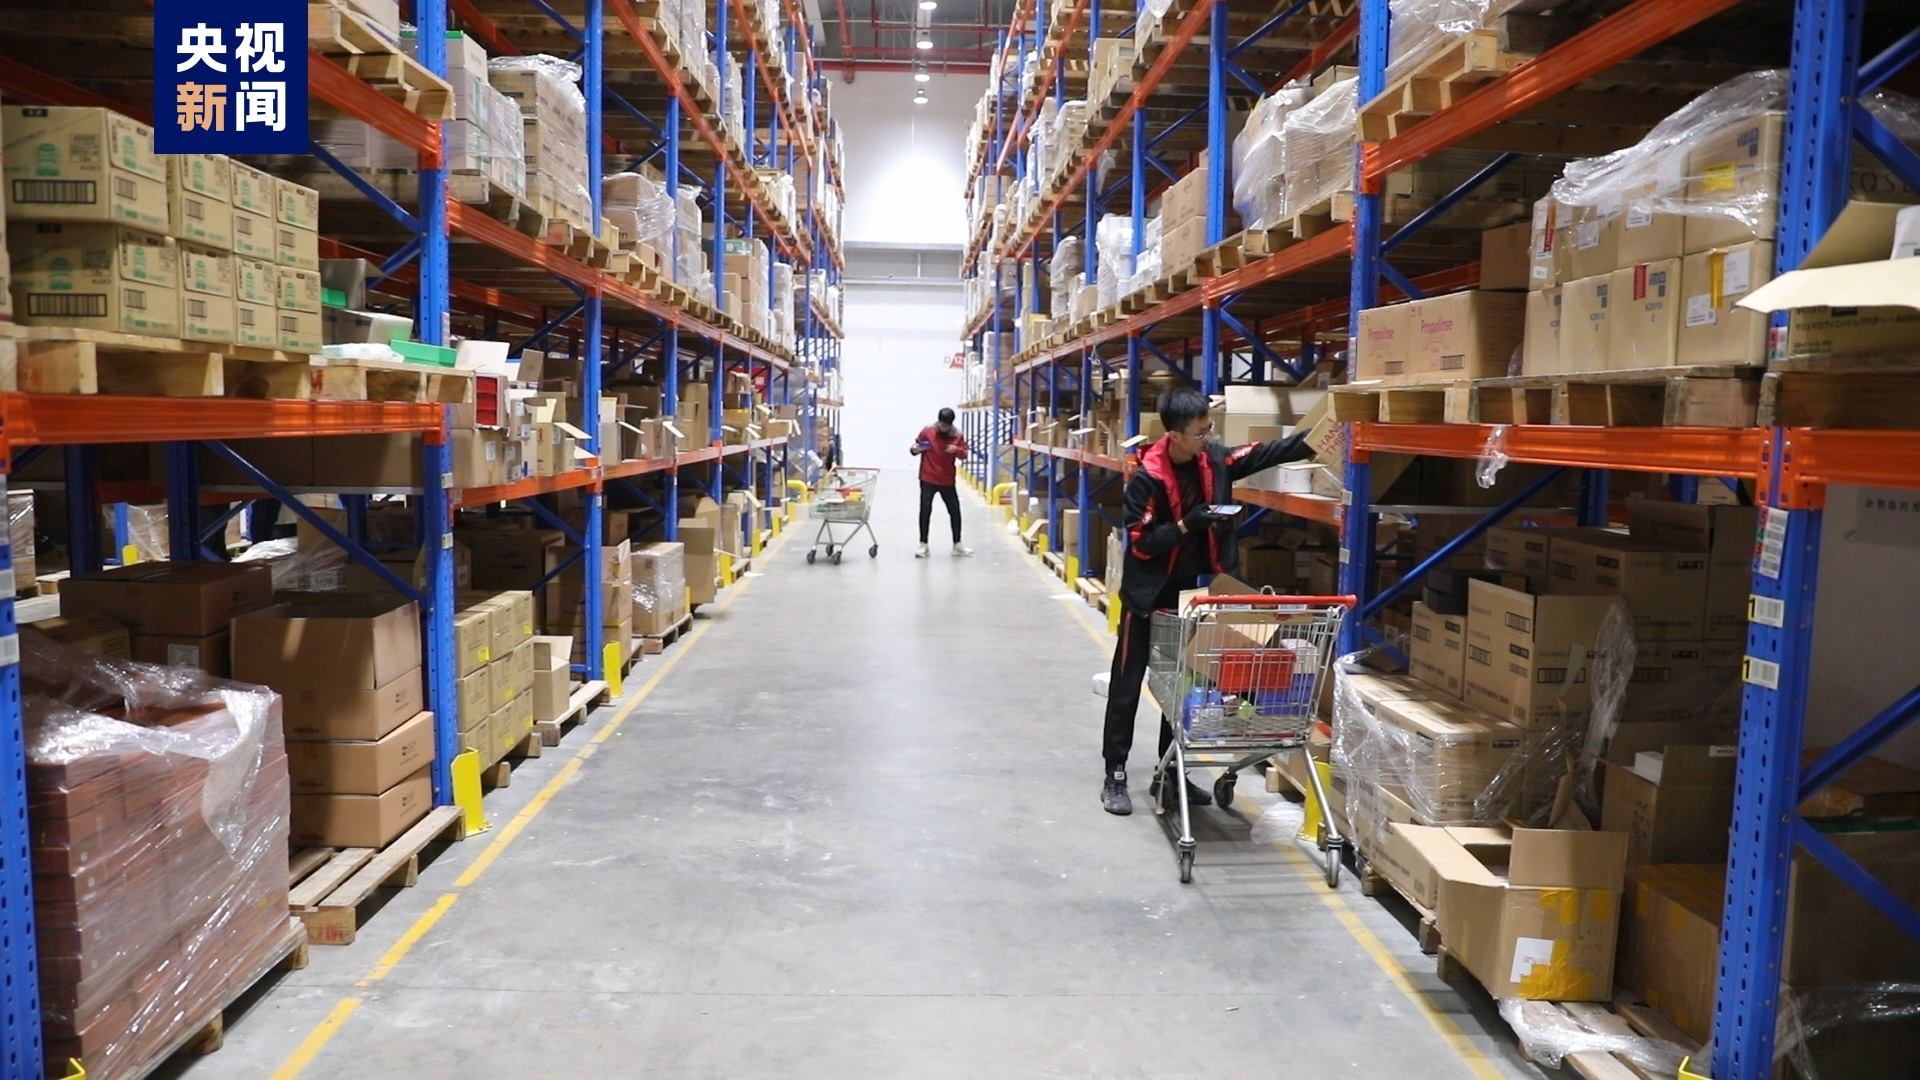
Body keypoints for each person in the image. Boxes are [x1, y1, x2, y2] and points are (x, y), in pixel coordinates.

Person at [1100, 387, 1314, 816]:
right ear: (1176, 434)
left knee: (1179, 686)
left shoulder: (1213, 459)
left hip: (1190, 595)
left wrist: (1316, 437)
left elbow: (1260, 454)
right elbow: (1141, 544)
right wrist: (1185, 525)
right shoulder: (1147, 478)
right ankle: (1115, 773)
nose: (1208, 437)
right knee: (1128, 682)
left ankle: (1169, 775)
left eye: (1209, 428)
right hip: (1147, 596)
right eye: (1200, 432)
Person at [910, 408, 973, 559]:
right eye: (941, 425)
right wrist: (916, 449)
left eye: (946, 426)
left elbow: (964, 454)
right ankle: (923, 545)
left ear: (951, 424)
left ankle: (957, 545)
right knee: (925, 510)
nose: (943, 428)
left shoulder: (957, 435)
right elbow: (915, 447)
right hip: (928, 478)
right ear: (938, 422)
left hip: (947, 480)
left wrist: (956, 450)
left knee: (955, 511)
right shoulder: (928, 431)